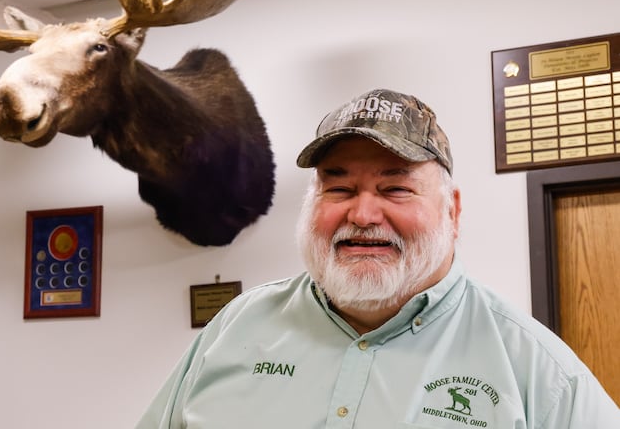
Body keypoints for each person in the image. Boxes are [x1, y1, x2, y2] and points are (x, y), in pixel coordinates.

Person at [136, 88, 619, 428]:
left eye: (395, 188)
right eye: (340, 187)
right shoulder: (234, 328)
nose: (363, 213)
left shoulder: (541, 373)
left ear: (451, 211)